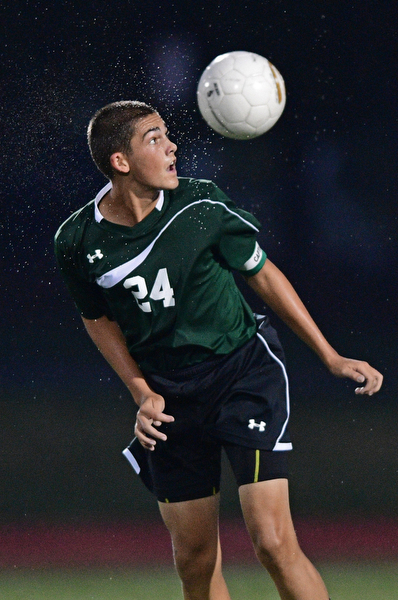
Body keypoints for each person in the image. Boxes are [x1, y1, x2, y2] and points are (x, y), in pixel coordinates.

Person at [54, 100, 382, 600]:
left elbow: (264, 274)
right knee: (194, 560)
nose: (172, 146)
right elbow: (97, 319)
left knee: (272, 542)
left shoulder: (202, 206)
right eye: (155, 139)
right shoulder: (76, 240)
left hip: (242, 373)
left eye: (168, 135)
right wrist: (142, 392)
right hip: (170, 396)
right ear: (120, 161)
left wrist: (329, 355)